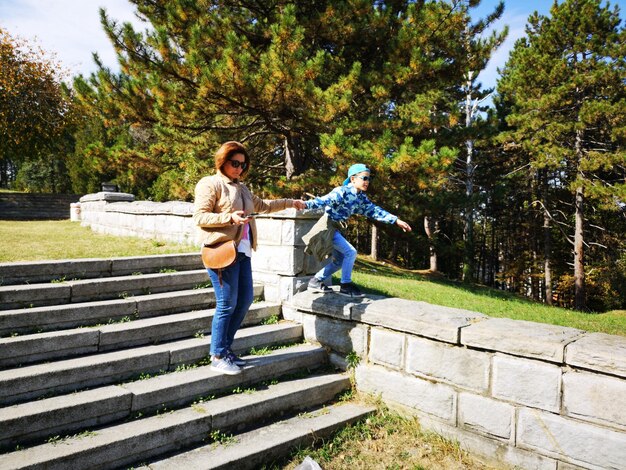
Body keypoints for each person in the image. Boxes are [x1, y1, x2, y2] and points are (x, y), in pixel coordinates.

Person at [193, 141, 306, 375]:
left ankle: (225, 349)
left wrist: (290, 203)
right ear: (222, 161)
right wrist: (229, 218)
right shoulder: (210, 184)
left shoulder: (242, 188)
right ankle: (217, 354)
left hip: (242, 252)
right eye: (235, 163)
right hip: (221, 252)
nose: (239, 169)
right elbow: (200, 217)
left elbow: (263, 206)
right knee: (226, 304)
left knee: (244, 302)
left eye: (243, 165)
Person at [303, 163, 412, 298]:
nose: (367, 182)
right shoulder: (341, 191)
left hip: (338, 229)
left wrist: (396, 220)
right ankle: (346, 285)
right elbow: (324, 200)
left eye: (368, 179)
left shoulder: (360, 198)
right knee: (351, 252)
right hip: (328, 227)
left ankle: (315, 281)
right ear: (353, 179)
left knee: (340, 260)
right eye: (364, 178)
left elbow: (374, 210)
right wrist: (305, 204)